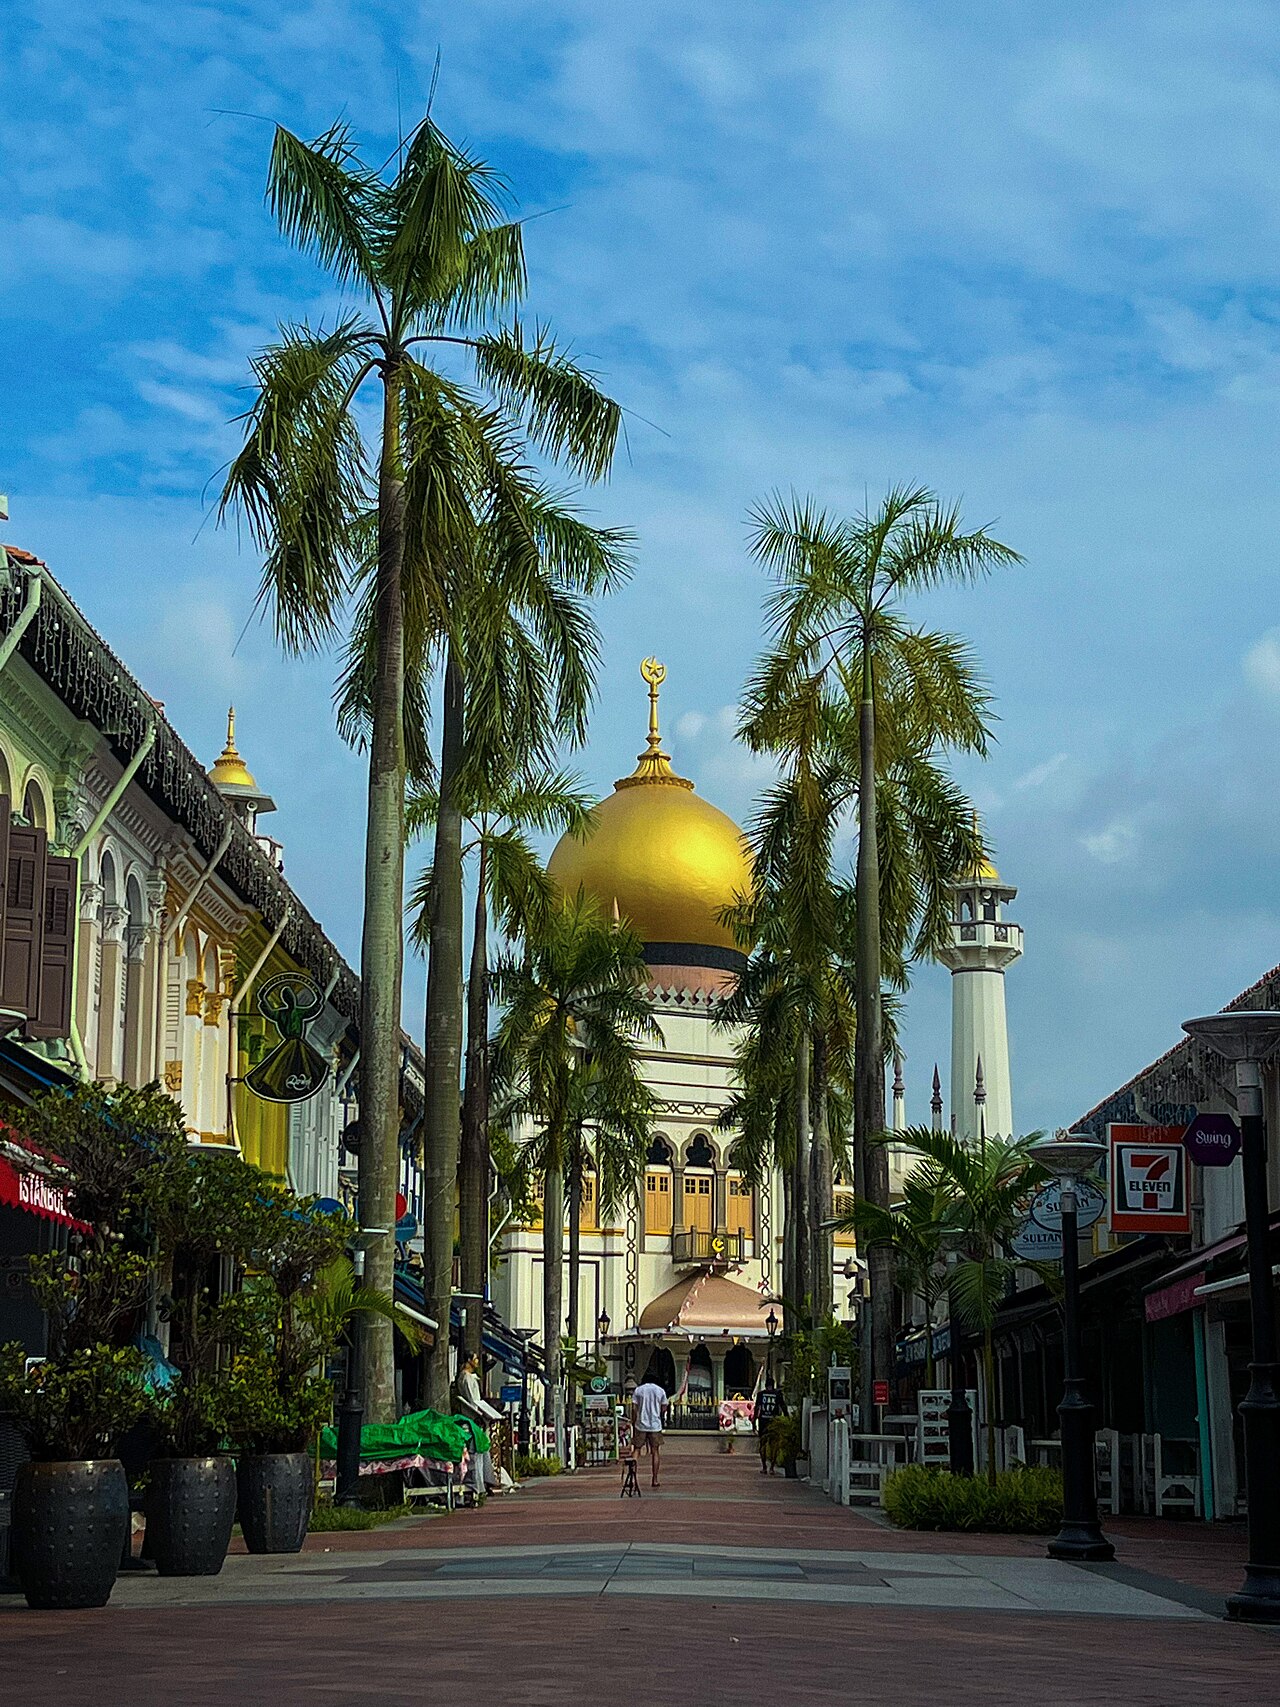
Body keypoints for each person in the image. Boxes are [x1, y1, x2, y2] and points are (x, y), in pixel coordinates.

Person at [458, 1351, 502, 1498]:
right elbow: (472, 1401)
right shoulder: (466, 1378)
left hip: (477, 1419)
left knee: (482, 1451)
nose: (477, 1362)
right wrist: (480, 1415)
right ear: (469, 1360)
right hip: (473, 1419)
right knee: (476, 1453)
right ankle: (479, 1484)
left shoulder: (470, 1378)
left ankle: (485, 1482)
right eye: (476, 1359)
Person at [631, 1371, 669, 1488]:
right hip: (655, 1425)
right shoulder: (660, 1390)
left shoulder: (638, 1390)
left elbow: (634, 1408)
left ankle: (632, 1477)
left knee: (636, 1450)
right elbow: (664, 1407)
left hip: (640, 1424)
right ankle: (655, 1479)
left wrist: (633, 1421)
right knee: (655, 1451)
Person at [754, 1379, 787, 1475]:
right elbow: (783, 1406)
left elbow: (757, 1408)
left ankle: (764, 1467)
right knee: (774, 1445)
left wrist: (754, 1420)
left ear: (765, 1385)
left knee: (763, 1444)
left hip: (763, 1421)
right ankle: (772, 1467)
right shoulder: (778, 1394)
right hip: (774, 1421)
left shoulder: (761, 1394)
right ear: (773, 1385)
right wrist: (786, 1418)